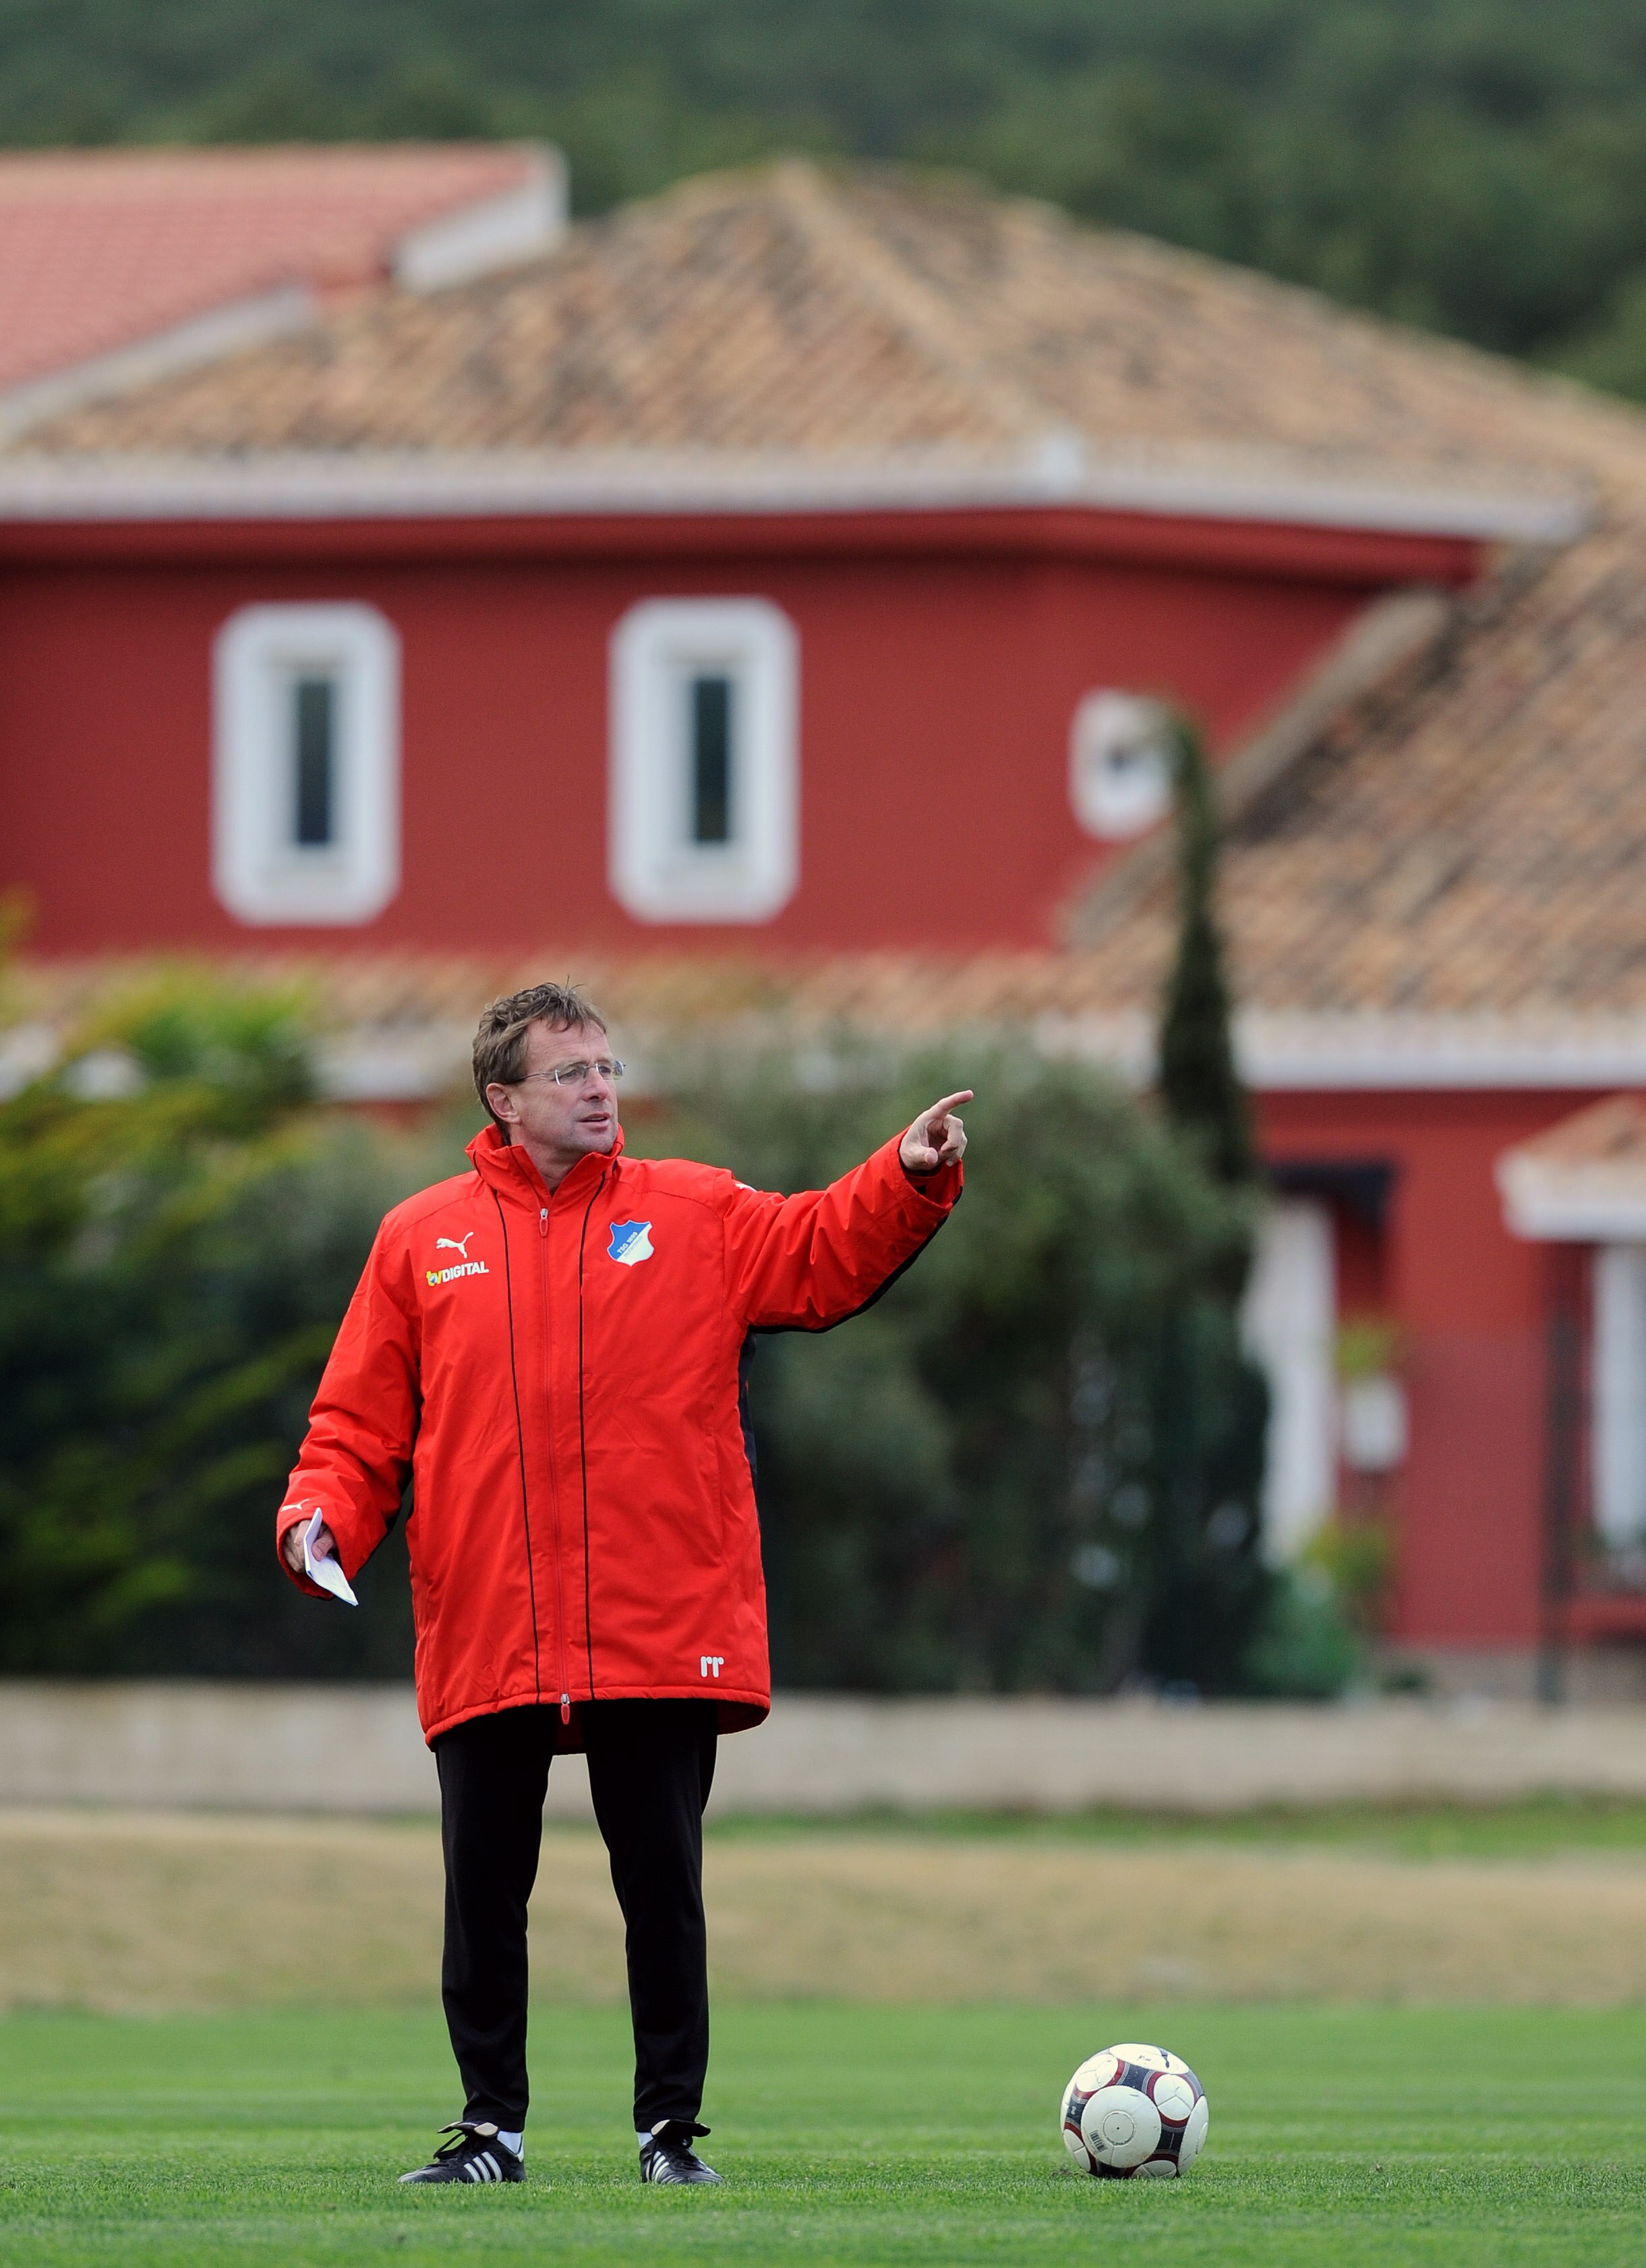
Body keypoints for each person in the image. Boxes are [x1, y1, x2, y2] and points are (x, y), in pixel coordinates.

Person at [276, 981, 968, 2187]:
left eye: (605, 1067)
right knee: (482, 1896)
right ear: (504, 1098)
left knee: (663, 1888)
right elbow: (358, 1426)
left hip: (659, 1620)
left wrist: (903, 1172)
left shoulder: (694, 1209)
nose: (600, 1089)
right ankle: (489, 2131)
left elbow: (818, 1251)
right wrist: (317, 1518)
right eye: (569, 1074)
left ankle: (670, 2136)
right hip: (490, 1619)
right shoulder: (418, 1239)